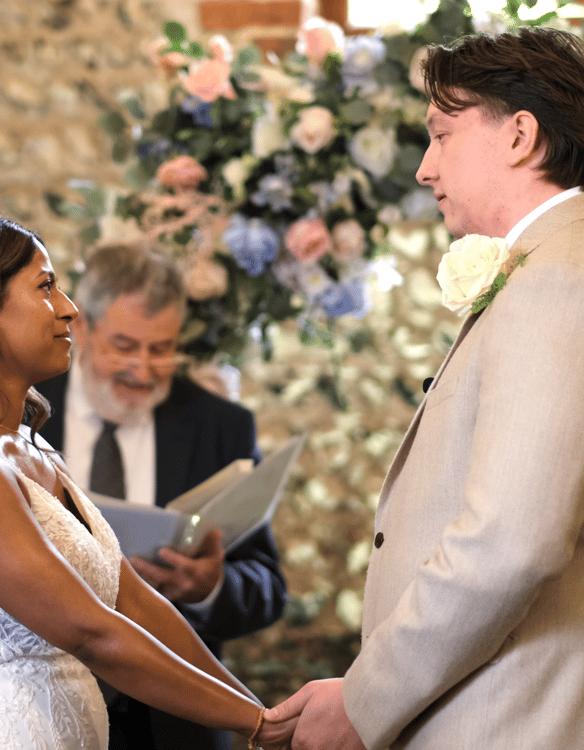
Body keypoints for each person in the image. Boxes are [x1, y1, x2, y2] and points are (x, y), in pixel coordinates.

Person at [0, 213, 296, 750]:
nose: (68, 307)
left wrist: (257, 712)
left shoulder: (35, 445)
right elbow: (91, 631)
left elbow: (135, 603)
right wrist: (261, 727)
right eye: (46, 286)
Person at [266, 26, 584, 750]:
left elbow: (513, 541)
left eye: (441, 135)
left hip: (509, 719)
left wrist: (367, 699)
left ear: (520, 136)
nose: (423, 168)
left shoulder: (558, 278)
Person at [36, 242, 288, 750]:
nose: (145, 370)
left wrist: (211, 587)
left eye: (162, 348)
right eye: (125, 346)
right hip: (48, 705)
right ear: (81, 328)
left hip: (181, 723)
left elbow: (268, 588)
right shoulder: (25, 410)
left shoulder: (221, 427)